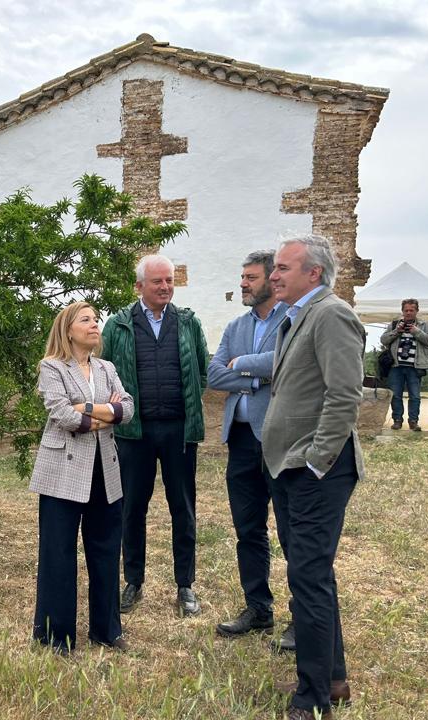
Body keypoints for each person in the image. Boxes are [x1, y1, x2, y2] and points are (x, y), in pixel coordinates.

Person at [258, 234, 363, 720]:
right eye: (273, 268)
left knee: (308, 581)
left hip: (313, 471)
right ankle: (333, 679)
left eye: (282, 268)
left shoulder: (331, 314)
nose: (273, 274)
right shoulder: (297, 316)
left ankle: (312, 706)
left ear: (313, 274)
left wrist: (318, 461)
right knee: (312, 576)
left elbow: (345, 396)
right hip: (289, 468)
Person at [101, 254, 209, 618]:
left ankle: (185, 585)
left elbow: (203, 370)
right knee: (132, 508)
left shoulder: (188, 322)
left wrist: (189, 406)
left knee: (183, 507)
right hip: (134, 433)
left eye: (169, 280)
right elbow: (103, 373)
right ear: (139, 287)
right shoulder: (117, 326)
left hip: (179, 431)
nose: (165, 286)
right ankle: (133, 580)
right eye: (157, 281)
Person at [29, 301, 135, 654]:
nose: (94, 324)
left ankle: (106, 630)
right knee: (58, 553)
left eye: (96, 319)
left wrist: (90, 411)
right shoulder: (52, 367)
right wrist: (107, 413)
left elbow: (128, 409)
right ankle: (55, 636)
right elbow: (61, 413)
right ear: (68, 329)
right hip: (62, 472)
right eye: (86, 320)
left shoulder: (107, 368)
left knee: (106, 551)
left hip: (104, 470)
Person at [207, 250, 290, 640]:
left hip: (279, 438)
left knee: (292, 533)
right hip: (240, 441)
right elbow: (214, 374)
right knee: (248, 529)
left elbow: (288, 362)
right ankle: (258, 609)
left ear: (272, 280)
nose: (243, 283)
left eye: (250, 278)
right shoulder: (236, 324)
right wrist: (254, 379)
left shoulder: (293, 320)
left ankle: (301, 618)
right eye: (242, 277)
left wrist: (242, 362)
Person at [380, 299, 428, 430]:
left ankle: (413, 421)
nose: (409, 313)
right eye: (406, 310)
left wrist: (416, 331)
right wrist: (396, 331)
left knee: (415, 396)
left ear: (417, 311)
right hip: (396, 366)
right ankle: (397, 420)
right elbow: (383, 340)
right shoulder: (394, 324)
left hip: (415, 367)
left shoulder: (424, 324)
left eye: (411, 310)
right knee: (395, 395)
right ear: (402, 311)